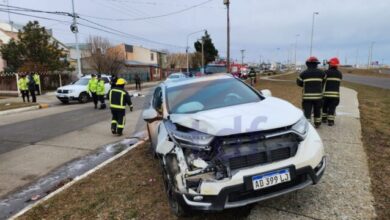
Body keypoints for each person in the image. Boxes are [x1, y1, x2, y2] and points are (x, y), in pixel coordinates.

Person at [297, 56, 325, 128]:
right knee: (317, 111)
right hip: (318, 97)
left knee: (307, 112)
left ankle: (307, 126)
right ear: (316, 64)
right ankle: (317, 123)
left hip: (307, 97)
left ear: (307, 64)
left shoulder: (303, 73)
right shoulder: (322, 73)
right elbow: (324, 81)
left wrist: (305, 84)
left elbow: (299, 83)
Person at [322, 57, 343, 126]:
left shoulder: (326, 73)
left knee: (324, 107)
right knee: (332, 107)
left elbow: (323, 81)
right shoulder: (339, 74)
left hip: (326, 94)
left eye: (329, 64)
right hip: (335, 95)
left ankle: (324, 119)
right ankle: (331, 121)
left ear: (331, 64)